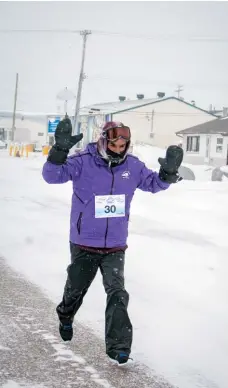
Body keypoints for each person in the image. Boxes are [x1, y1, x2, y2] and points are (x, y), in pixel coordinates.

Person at [42, 118, 183, 365]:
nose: (118, 150)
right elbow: (52, 176)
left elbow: (154, 184)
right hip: (84, 242)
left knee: (117, 292)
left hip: (115, 245)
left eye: (123, 146)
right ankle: (65, 315)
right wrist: (59, 151)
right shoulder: (82, 162)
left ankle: (119, 346)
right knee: (75, 290)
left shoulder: (133, 166)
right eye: (114, 145)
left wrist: (168, 172)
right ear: (103, 141)